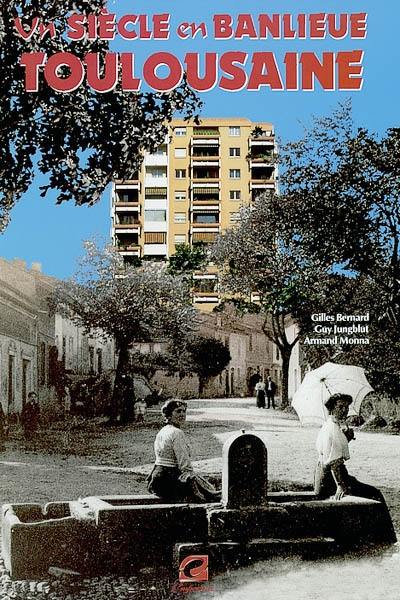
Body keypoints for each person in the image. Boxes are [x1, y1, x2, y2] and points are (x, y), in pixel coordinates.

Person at [315, 393, 388, 503]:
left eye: (347, 407)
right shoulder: (332, 429)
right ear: (332, 409)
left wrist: (346, 438)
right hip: (331, 479)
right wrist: (341, 486)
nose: (344, 410)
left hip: (326, 475)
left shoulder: (332, 425)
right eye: (340, 407)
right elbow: (334, 462)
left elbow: (334, 449)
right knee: (375, 494)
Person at [147, 399, 220, 503]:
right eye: (178, 411)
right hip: (169, 480)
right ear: (169, 415)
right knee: (212, 496)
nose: (182, 414)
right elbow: (185, 465)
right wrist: (196, 490)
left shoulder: (162, 431)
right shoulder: (177, 433)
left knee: (208, 485)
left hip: (157, 479)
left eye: (184, 411)